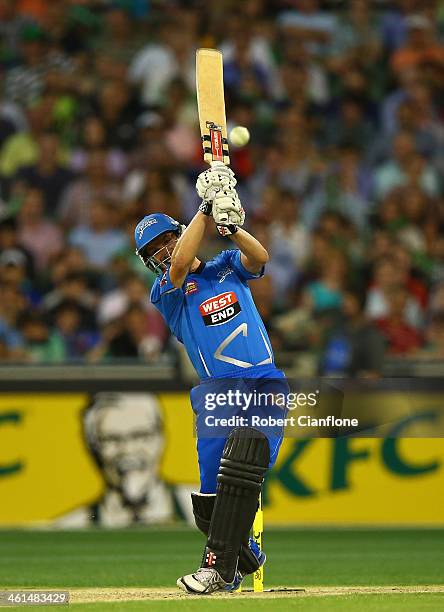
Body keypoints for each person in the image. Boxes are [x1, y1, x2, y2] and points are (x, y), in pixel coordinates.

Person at [134, 162, 288, 595]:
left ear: (182, 232)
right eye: (156, 250)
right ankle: (245, 555)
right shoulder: (167, 290)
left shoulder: (225, 266)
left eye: (168, 240)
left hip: (261, 382)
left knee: (245, 459)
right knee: (209, 505)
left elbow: (260, 257)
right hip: (216, 392)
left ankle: (217, 570)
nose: (166, 251)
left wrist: (231, 226)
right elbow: (182, 263)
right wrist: (205, 207)